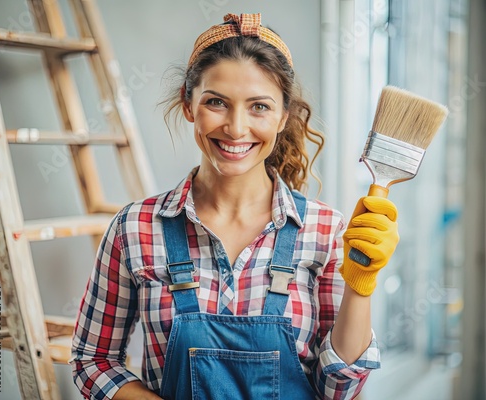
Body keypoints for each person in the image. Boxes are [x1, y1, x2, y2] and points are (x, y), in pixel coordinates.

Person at [71, 13, 399, 400]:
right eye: (217, 102)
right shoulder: (135, 228)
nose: (236, 128)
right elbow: (92, 361)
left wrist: (360, 288)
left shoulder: (324, 230)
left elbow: (339, 391)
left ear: (283, 116)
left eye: (259, 107)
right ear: (189, 104)